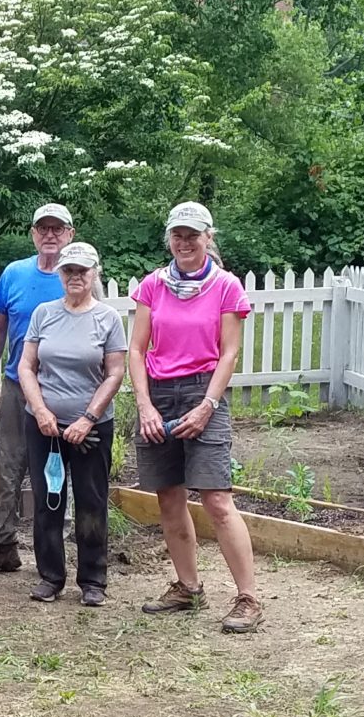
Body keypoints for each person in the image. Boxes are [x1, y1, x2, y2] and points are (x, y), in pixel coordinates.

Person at [128, 202, 264, 632]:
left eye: (193, 236)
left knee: (217, 500)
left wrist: (208, 405)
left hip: (204, 390)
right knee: (168, 497)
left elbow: (229, 352)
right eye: (177, 236)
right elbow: (136, 350)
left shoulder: (225, 287)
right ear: (169, 239)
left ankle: (248, 599)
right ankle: (188, 588)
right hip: (159, 394)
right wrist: (145, 405)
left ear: (208, 237)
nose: (184, 244)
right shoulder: (153, 285)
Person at [16, 241, 126, 606]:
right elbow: (26, 367)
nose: (75, 277)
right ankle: (50, 576)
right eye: (69, 270)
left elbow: (114, 373)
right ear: (60, 274)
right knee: (49, 499)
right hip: (44, 425)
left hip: (91, 427)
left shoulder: (107, 318)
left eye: (83, 270)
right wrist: (42, 411)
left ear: (95, 273)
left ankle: (93, 580)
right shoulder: (44, 314)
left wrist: (88, 418)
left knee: (92, 500)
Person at [0, 202, 76, 578]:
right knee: (7, 466)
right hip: (17, 384)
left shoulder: (76, 275)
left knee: (55, 469)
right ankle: (1, 546)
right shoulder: (15, 274)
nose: (50, 235)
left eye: (57, 229)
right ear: (33, 234)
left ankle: (53, 551)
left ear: (69, 234)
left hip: (62, 388)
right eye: (42, 229)